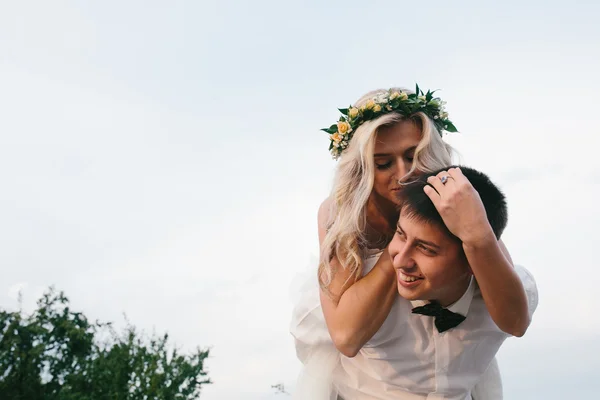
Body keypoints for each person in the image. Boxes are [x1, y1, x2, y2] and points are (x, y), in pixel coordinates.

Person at [290, 86, 518, 399]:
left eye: (414, 156)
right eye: (383, 163)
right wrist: (402, 239)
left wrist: (476, 232)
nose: (405, 174)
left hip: (448, 358)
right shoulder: (341, 213)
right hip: (372, 372)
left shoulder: (454, 196)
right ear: (361, 167)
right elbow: (346, 336)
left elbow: (513, 316)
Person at [335, 165, 537, 399]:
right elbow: (345, 340)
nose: (400, 260)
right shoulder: (362, 286)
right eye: (400, 234)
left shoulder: (511, 290)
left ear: (472, 260)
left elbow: (516, 323)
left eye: (425, 249)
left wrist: (478, 235)